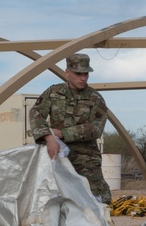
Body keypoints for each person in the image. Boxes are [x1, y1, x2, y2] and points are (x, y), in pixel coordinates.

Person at [30, 53, 111, 203]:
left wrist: (62, 133)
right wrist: (49, 138)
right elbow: (36, 113)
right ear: (67, 72)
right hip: (57, 156)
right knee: (53, 199)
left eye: (85, 73)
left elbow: (95, 128)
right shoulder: (53, 93)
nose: (83, 78)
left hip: (86, 160)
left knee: (98, 200)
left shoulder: (95, 98)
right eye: (78, 73)